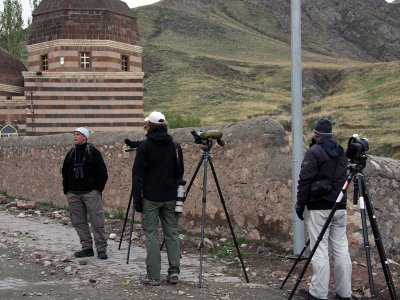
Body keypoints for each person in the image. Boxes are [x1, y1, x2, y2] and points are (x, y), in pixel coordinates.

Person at [295, 118, 352, 300]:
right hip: (340, 206)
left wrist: (300, 203)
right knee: (341, 249)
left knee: (319, 249)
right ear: (331, 134)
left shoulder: (315, 152)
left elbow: (305, 180)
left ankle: (319, 293)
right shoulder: (341, 152)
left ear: (316, 134)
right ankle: (344, 293)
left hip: (320, 207)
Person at [132, 111, 184, 286]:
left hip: (151, 197)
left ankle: (153, 276)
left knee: (152, 235)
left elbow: (138, 176)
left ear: (150, 126)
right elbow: (180, 172)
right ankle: (174, 272)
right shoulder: (175, 145)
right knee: (172, 234)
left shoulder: (145, 147)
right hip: (170, 197)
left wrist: (137, 199)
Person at [62, 127, 109, 260]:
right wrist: (67, 190)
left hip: (91, 192)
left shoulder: (93, 152)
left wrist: (97, 190)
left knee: (97, 221)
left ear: (85, 137)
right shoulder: (71, 153)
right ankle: (87, 248)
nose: (75, 137)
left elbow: (103, 173)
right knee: (78, 221)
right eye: (74, 135)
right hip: (74, 193)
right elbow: (65, 172)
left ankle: (101, 249)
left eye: (78, 135)